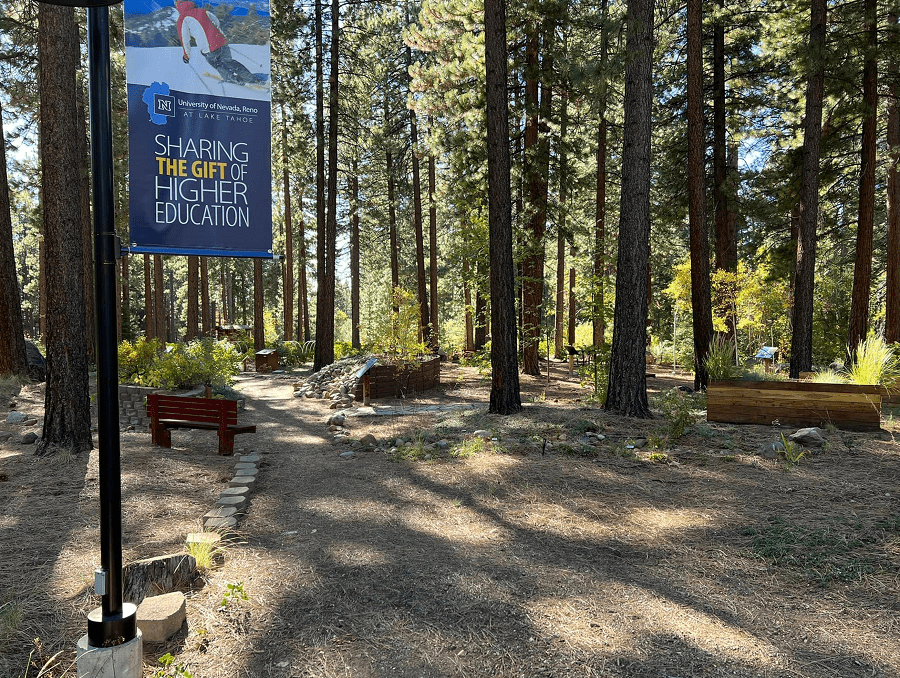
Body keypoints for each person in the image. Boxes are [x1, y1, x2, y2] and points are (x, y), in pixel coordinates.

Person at [176, 0, 255, 85]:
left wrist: (186, 55)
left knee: (216, 63)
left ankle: (230, 78)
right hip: (222, 41)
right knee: (229, 61)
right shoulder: (202, 11)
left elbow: (184, 39)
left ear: (178, 7)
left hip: (208, 48)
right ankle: (249, 77)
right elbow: (216, 20)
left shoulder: (182, 19)